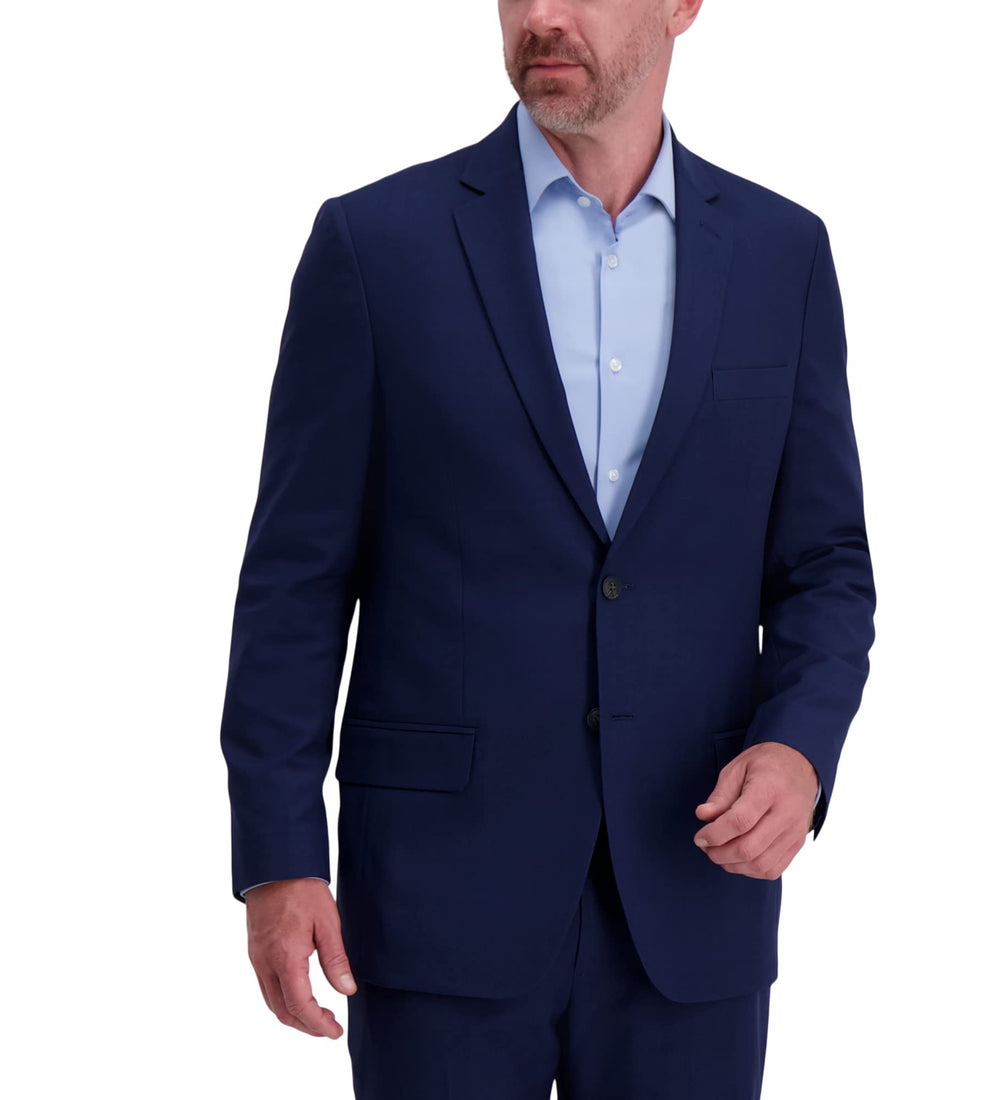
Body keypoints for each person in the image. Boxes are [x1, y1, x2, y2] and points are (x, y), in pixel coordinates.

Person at [219, 1, 876, 1095]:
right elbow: (295, 580)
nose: (540, 16)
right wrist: (277, 854)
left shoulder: (780, 254)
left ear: (681, 5)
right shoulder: (376, 245)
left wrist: (799, 747)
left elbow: (823, 566)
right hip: (436, 902)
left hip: (692, 885)